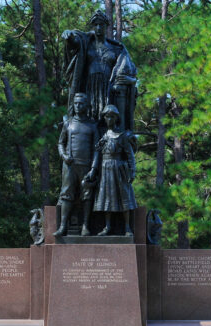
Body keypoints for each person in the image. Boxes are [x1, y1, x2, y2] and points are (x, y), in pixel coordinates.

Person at [62, 9, 137, 132]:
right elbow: (74, 44)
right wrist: (69, 36)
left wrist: (131, 80)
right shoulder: (86, 43)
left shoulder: (116, 48)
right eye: (95, 24)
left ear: (106, 26)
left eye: (101, 24)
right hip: (89, 87)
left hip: (108, 87)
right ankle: (92, 144)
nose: (98, 28)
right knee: (90, 115)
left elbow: (127, 69)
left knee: (108, 117)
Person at [54, 93, 100, 236]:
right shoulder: (68, 123)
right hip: (70, 165)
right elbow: (61, 143)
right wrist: (64, 156)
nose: (78, 106)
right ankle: (63, 226)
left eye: (81, 103)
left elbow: (96, 148)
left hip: (86, 166)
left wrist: (93, 168)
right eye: (75, 103)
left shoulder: (92, 125)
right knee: (66, 195)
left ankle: (85, 225)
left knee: (87, 195)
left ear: (86, 106)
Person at [92, 105, 137, 236]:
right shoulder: (103, 136)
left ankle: (128, 228)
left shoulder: (122, 136)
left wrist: (132, 171)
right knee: (107, 198)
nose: (109, 119)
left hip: (119, 169)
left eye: (112, 116)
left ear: (116, 118)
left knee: (124, 197)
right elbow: (97, 152)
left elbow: (130, 155)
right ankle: (107, 227)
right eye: (107, 116)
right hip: (105, 169)